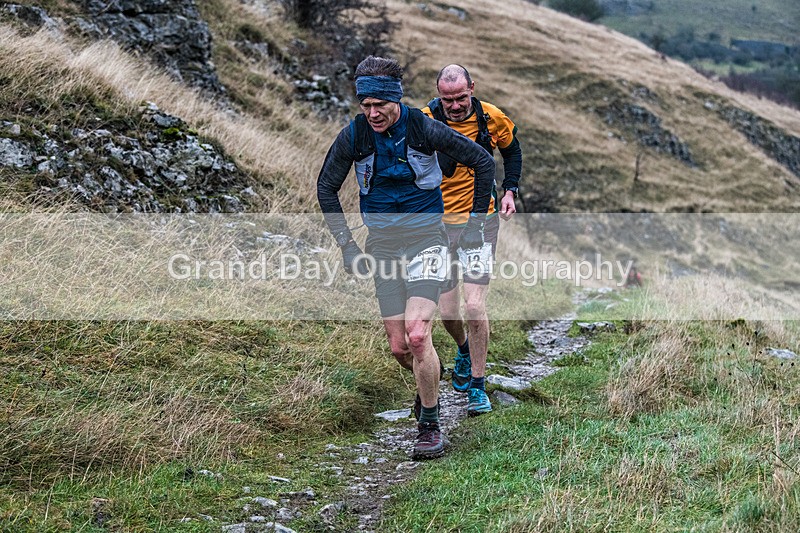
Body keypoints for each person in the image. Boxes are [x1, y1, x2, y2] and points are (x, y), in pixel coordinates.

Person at [316, 56, 496, 459]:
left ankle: (430, 426)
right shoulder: (355, 135)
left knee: (418, 334)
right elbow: (326, 188)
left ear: (396, 99)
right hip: (382, 246)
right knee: (401, 348)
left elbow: (482, 161)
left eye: (380, 104)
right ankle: (428, 380)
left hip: (427, 240)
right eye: (366, 105)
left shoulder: (423, 127)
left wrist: (471, 225)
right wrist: (347, 244)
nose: (373, 112)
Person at [422, 64, 522, 417]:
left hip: (480, 224)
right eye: (447, 99)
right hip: (437, 226)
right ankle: (463, 349)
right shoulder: (424, 120)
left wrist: (510, 190)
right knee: (448, 312)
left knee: (475, 306)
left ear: (472, 89)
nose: (454, 106)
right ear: (439, 95)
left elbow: (512, 151)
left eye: (461, 98)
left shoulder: (492, 118)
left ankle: (478, 387)